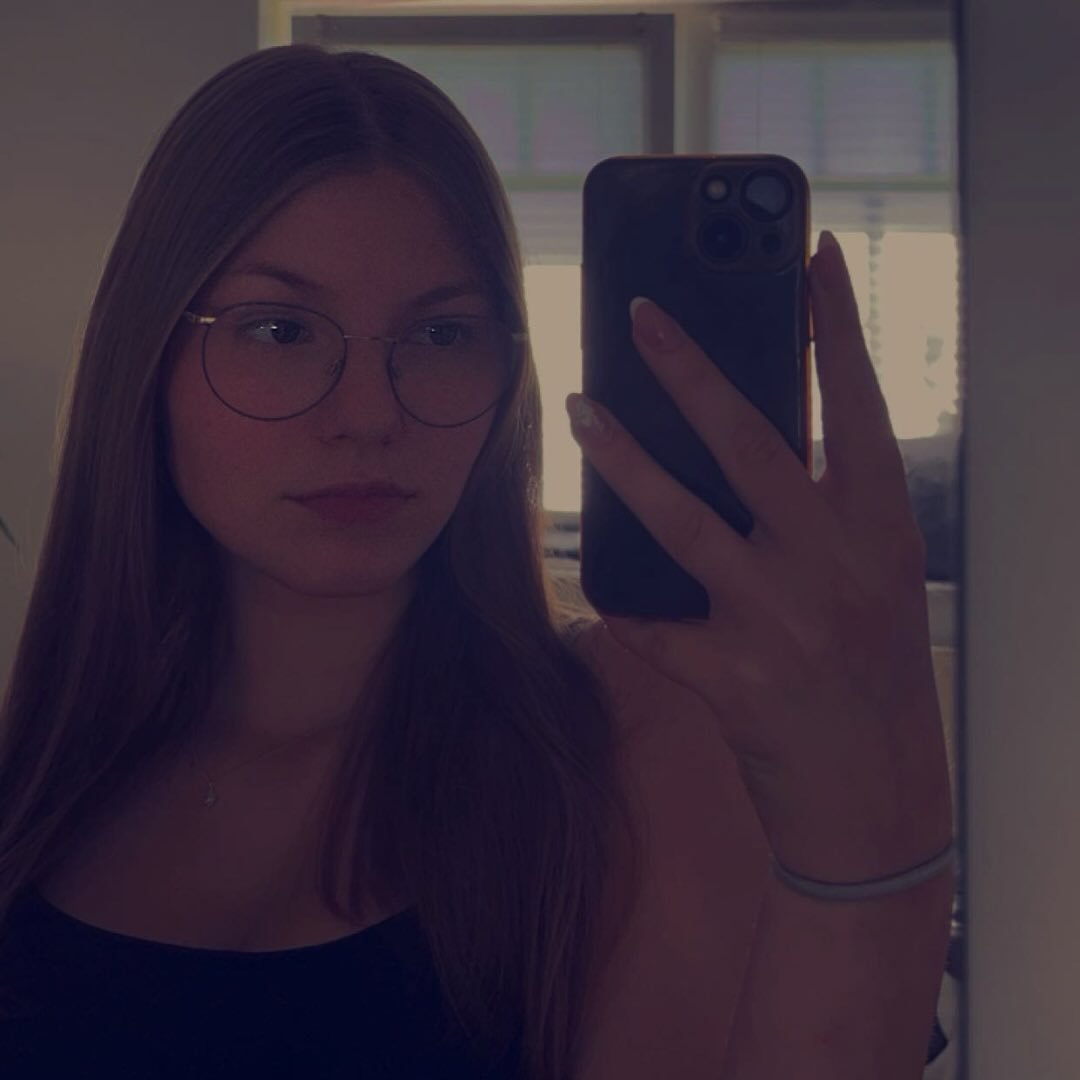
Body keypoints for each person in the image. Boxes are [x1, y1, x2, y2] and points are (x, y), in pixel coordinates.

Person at [0, 43, 956, 1079]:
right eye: (279, 329)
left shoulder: (619, 735)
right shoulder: (45, 770)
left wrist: (873, 826)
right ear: (147, 356)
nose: (369, 415)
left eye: (443, 334)